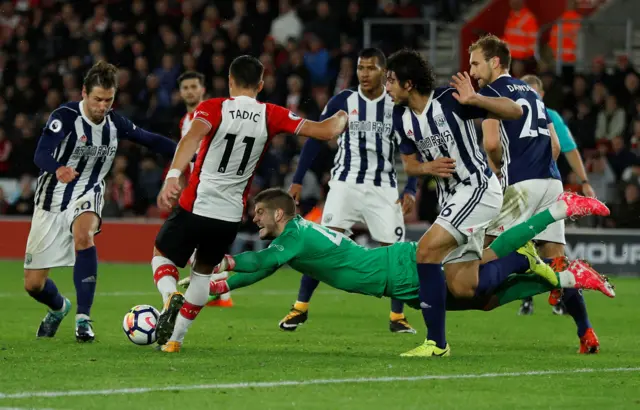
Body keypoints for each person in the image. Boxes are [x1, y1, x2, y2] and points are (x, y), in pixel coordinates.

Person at [181, 188, 613, 355]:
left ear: (277, 212)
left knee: (478, 280)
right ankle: (564, 273)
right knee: (481, 296)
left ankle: (546, 232)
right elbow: (261, 269)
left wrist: (223, 264)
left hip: (401, 270)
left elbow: (261, 262)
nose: (254, 220)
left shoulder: (292, 236)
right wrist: (213, 283)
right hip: (397, 275)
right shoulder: (293, 236)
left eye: (258, 213)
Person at [151, 55, 349, 353]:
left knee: (161, 255)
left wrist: (173, 176)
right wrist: (343, 115)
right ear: (260, 84)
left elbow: (191, 139)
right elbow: (326, 131)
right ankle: (175, 341)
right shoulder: (271, 113)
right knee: (204, 273)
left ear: (230, 81)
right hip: (229, 215)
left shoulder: (213, 107)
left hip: (196, 203)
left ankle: (168, 297)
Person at [25, 61, 179, 342]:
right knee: (33, 285)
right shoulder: (66, 116)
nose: (102, 106)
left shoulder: (115, 122)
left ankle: (83, 319)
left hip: (88, 191)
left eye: (108, 100)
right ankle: (59, 308)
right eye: (97, 99)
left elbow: (151, 140)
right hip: (51, 198)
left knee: (84, 236)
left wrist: (188, 153)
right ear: (84, 93)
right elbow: (41, 154)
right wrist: (58, 168)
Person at [468, 35, 602, 353]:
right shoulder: (532, 93)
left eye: (475, 63)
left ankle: (526, 265)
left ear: (495, 62)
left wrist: (501, 168)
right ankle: (586, 333)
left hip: (522, 185)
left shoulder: (492, 93)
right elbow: (555, 146)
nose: (472, 71)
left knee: (485, 252)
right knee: (557, 261)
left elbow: (490, 144)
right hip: (551, 183)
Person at [283, 48, 419, 334]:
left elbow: (412, 148)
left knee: (396, 253)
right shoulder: (344, 101)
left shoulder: (396, 106)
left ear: (384, 72)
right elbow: (316, 138)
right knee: (321, 244)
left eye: (370, 68)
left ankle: (397, 317)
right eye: (360, 68)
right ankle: (300, 307)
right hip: (345, 183)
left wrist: (412, 187)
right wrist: (297, 179)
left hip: (384, 188)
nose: (364, 74)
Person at [519, 73, 595, 318]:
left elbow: (568, 151)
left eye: (533, 93)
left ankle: (559, 297)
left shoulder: (551, 117)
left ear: (541, 95)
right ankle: (528, 298)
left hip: (542, 188)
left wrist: (584, 181)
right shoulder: (512, 115)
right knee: (526, 245)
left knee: (549, 250)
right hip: (526, 189)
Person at [175, 71, 234, 308]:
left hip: (213, 185)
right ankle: (219, 293)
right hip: (195, 186)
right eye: (185, 87)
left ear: (202, 89)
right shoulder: (184, 121)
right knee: (199, 238)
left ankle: (217, 289)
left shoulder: (213, 113)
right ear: (180, 93)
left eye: (193, 86)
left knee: (194, 236)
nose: (189, 91)